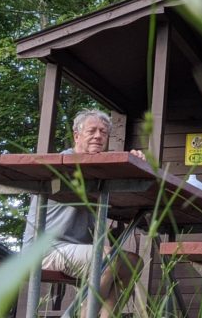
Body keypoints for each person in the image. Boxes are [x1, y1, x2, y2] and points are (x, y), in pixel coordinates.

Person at [36, 109, 145, 318]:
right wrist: (123, 162)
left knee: (134, 263)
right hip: (46, 250)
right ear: (77, 136)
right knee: (108, 259)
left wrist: (133, 164)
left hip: (75, 249)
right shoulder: (64, 162)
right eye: (92, 131)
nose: (98, 136)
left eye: (103, 132)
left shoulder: (97, 167)